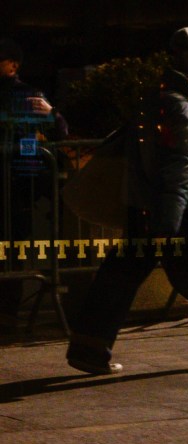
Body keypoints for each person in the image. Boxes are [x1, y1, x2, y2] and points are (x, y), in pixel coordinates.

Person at [66, 27, 188, 374]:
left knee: (122, 275)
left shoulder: (160, 100)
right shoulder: (183, 110)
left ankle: (89, 346)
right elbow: (180, 169)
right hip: (180, 210)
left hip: (149, 205)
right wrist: (168, 224)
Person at [0, 38, 68, 332]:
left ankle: (7, 313)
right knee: (11, 249)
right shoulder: (25, 94)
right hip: (17, 183)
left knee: (11, 248)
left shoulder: (27, 95)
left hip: (16, 185)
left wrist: (51, 115)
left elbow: (59, 130)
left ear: (13, 64)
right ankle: (7, 313)